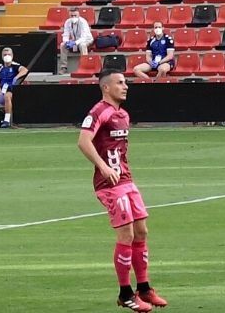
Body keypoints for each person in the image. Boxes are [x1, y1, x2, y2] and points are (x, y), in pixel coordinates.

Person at [79, 71, 166, 312]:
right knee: (126, 234)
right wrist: (103, 167)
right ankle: (125, 293)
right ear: (106, 88)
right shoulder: (99, 112)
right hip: (109, 184)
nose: (125, 86)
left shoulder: (123, 114)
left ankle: (144, 288)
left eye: (125, 82)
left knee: (141, 230)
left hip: (126, 180)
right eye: (120, 83)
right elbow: (83, 141)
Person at [59, 7, 93, 75]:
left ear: (78, 15)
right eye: (72, 16)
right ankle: (63, 67)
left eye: (75, 15)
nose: (73, 17)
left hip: (87, 39)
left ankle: (84, 66)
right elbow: (66, 34)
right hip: (74, 40)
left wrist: (75, 43)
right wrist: (67, 42)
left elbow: (84, 37)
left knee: (82, 45)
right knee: (62, 45)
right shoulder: (68, 22)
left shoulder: (83, 22)